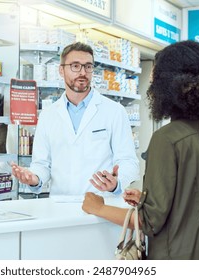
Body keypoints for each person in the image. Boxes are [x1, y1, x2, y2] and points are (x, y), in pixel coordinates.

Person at [82, 40, 199, 260]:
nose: (151, 82)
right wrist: (145, 198)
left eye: (155, 77)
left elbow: (149, 222)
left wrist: (98, 208)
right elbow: (195, 202)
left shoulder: (166, 139)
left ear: (168, 85)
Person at [11, 42, 139, 196]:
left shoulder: (114, 111)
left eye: (88, 66)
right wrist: (34, 178)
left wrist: (117, 182)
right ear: (61, 70)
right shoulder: (48, 115)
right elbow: (41, 164)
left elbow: (129, 162)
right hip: (60, 208)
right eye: (75, 66)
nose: (82, 72)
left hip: (102, 207)